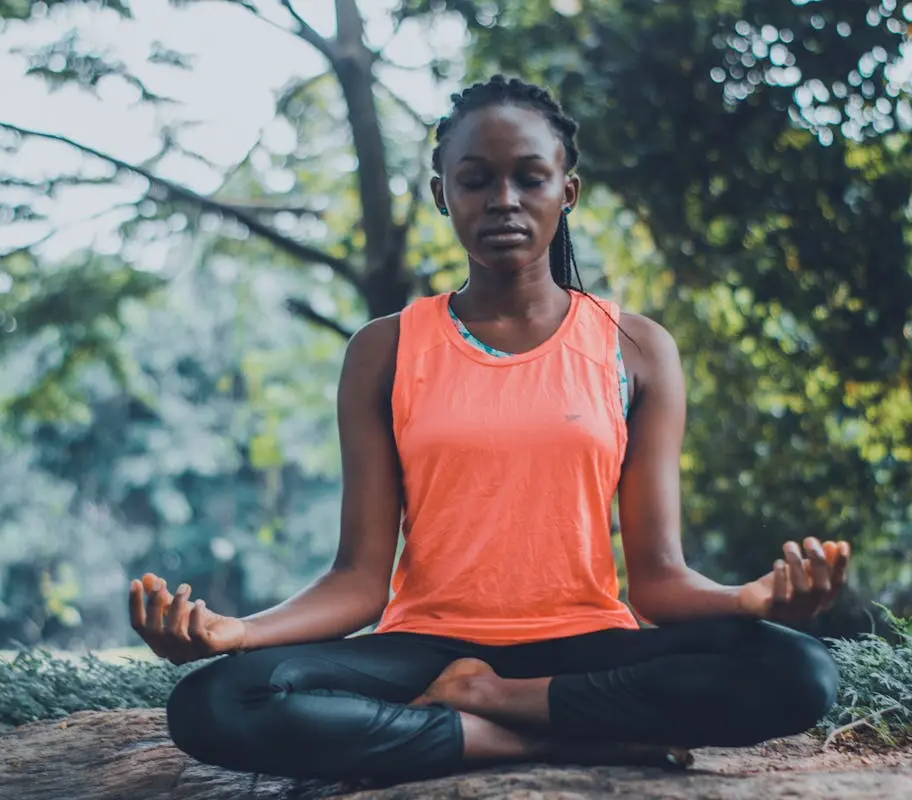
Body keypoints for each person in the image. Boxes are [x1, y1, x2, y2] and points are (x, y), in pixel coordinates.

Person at [128, 75, 852, 785]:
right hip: (424, 650)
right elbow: (356, 582)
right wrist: (237, 632)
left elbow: (659, 583)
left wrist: (751, 601)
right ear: (443, 193)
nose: (503, 200)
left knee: (797, 671)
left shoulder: (634, 348)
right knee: (217, 701)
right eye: (476, 180)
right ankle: (535, 744)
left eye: (529, 178)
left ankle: (493, 704)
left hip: (584, 647)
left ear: (566, 191)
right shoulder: (386, 349)